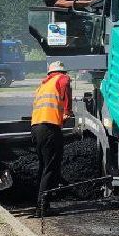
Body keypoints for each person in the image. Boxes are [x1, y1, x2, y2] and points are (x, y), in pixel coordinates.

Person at [30, 60, 74, 216]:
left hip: (36, 128)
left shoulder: (42, 85)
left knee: (44, 167)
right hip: (49, 128)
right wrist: (68, 111)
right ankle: (42, 207)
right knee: (51, 168)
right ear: (61, 71)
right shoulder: (62, 78)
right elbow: (66, 86)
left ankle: (39, 205)